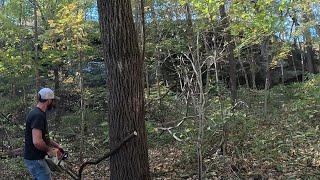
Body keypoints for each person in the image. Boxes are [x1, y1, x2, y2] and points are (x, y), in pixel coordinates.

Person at [24, 88, 64, 180]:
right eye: (53, 100)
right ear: (49, 100)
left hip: (35, 158)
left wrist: (58, 146)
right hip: (35, 159)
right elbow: (37, 142)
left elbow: (45, 138)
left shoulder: (39, 113)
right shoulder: (37, 115)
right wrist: (50, 150)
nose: (54, 103)